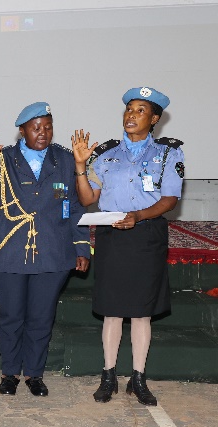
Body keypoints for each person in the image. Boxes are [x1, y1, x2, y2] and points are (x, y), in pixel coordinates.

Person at [72, 87, 182, 406]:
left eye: (140, 110)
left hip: (147, 236)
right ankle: (108, 376)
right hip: (112, 237)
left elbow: (170, 199)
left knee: (142, 313)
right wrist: (80, 166)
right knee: (112, 310)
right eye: (129, 109)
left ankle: (138, 378)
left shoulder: (169, 154)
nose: (131, 115)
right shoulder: (105, 154)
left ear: (155, 119)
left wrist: (138, 215)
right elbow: (87, 198)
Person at [0, 102, 91, 397]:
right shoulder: (2, 159)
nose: (43, 133)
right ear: (22, 131)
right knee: (11, 317)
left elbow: (74, 207)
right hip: (8, 252)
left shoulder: (65, 159)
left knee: (41, 318)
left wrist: (81, 246)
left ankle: (34, 375)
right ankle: (10, 373)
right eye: (36, 128)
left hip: (53, 252)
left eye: (48, 127)